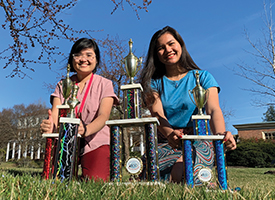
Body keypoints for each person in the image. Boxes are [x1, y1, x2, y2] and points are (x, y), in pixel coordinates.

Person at [140, 26, 236, 184]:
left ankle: (196, 178)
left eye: (171, 44)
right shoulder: (153, 83)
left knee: (183, 172)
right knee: (148, 176)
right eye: (161, 48)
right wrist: (171, 134)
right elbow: (157, 114)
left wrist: (220, 136)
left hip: (199, 140)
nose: (168, 50)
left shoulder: (204, 77)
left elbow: (213, 109)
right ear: (155, 54)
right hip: (167, 141)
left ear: (180, 45)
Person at [40, 38, 119, 181]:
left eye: (89, 55)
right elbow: (56, 115)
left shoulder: (105, 84)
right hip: (66, 141)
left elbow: (103, 116)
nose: (83, 59)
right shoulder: (63, 84)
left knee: (96, 180)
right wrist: (49, 126)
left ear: (96, 60)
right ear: (72, 59)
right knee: (56, 177)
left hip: (96, 140)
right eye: (78, 55)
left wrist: (86, 130)